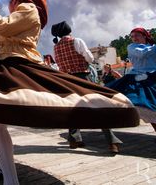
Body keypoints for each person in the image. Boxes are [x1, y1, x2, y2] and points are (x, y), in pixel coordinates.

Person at [0, 0, 138, 185]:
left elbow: (4, 27)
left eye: (11, 1)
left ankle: (9, 177)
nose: (9, 5)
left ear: (18, 0)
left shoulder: (28, 9)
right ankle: (6, 170)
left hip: (16, 63)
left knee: (2, 117)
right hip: (2, 63)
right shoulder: (12, 15)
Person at [52, 21, 122, 153]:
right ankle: (112, 141)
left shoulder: (56, 47)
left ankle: (74, 138)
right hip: (83, 78)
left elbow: (59, 63)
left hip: (67, 80)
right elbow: (89, 58)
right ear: (69, 30)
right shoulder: (76, 41)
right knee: (98, 107)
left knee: (74, 109)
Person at [107, 27, 156, 132]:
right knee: (147, 105)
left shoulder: (152, 47)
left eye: (137, 35)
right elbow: (142, 54)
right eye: (132, 36)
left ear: (144, 36)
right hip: (138, 78)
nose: (134, 38)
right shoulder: (132, 47)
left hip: (153, 76)